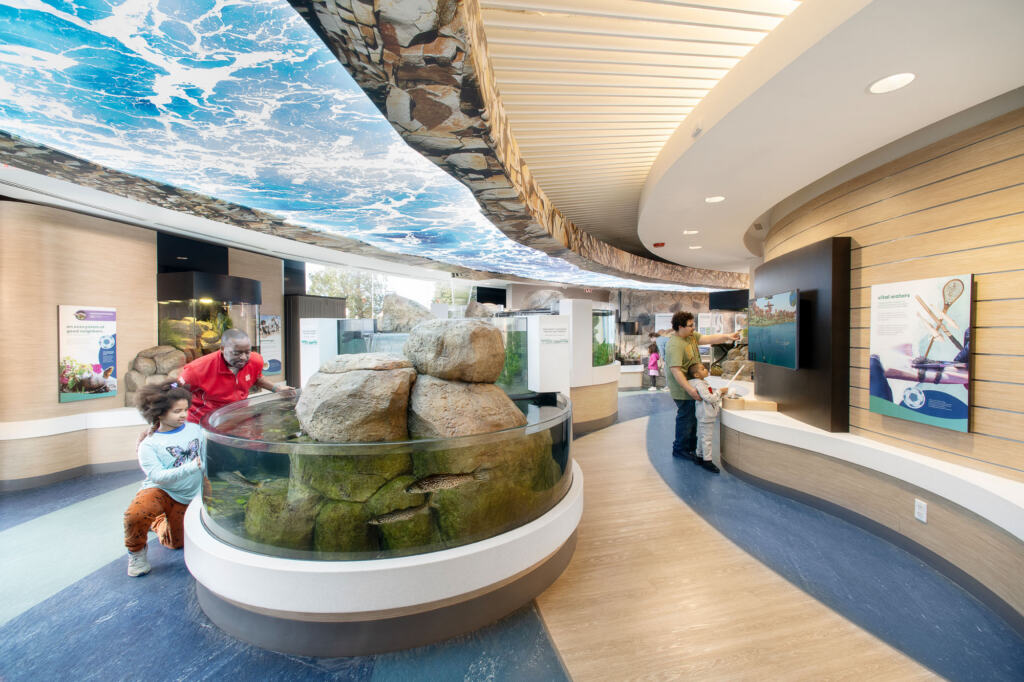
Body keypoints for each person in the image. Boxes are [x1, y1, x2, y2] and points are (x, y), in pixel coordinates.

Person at [123, 380, 207, 576]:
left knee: (175, 542)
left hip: (189, 494)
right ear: (159, 413)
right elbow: (158, 477)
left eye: (185, 410)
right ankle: (136, 553)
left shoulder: (196, 430)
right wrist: (192, 466)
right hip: (162, 490)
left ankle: (158, 522)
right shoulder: (149, 444)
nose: (183, 415)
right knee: (135, 515)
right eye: (177, 411)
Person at [665, 311, 740, 464]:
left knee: (693, 418)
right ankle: (680, 449)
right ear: (680, 327)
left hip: (694, 386)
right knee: (686, 418)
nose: (694, 328)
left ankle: (689, 448)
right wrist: (690, 390)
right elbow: (676, 371)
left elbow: (707, 338)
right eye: (691, 325)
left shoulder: (690, 336)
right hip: (683, 390)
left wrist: (727, 336)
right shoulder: (675, 345)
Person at [177, 328, 293, 424]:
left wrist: (277, 389)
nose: (243, 357)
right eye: (236, 353)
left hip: (237, 416)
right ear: (222, 349)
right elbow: (175, 391)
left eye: (247, 352)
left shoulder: (255, 360)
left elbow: (257, 377)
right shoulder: (196, 369)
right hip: (204, 421)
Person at [688, 362, 723, 473]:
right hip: (706, 415)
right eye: (703, 369)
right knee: (707, 438)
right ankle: (707, 461)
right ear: (696, 375)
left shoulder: (703, 382)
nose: (706, 369)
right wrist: (720, 392)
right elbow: (709, 398)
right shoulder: (700, 384)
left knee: (702, 435)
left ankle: (699, 455)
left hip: (706, 414)